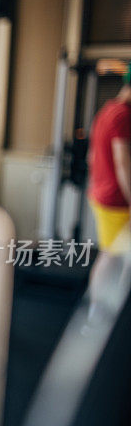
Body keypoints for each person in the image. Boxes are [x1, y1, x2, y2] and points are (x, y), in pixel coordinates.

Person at [87, 62, 131, 319]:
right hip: (116, 200)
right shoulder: (123, 115)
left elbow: (94, 157)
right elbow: (122, 162)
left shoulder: (107, 110)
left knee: (112, 255)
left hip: (103, 194)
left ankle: (100, 311)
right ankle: (97, 313)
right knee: (112, 257)